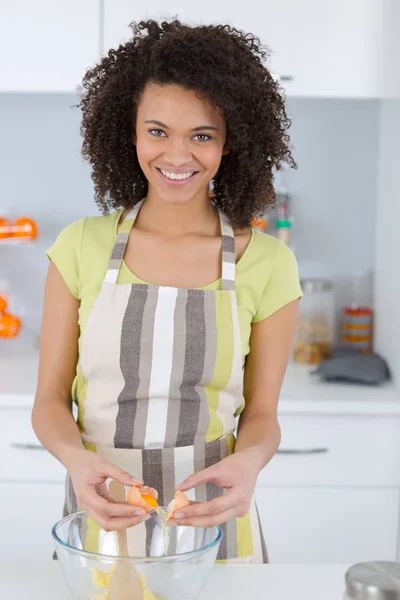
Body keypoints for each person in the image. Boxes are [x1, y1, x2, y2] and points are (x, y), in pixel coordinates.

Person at [32, 18, 302, 563]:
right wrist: (76, 461)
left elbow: (263, 417)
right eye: (158, 131)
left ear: (231, 144)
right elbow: (49, 402)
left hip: (213, 524)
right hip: (100, 516)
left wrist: (248, 464)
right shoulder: (80, 247)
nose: (178, 156)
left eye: (202, 135)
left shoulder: (268, 263)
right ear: (128, 132)